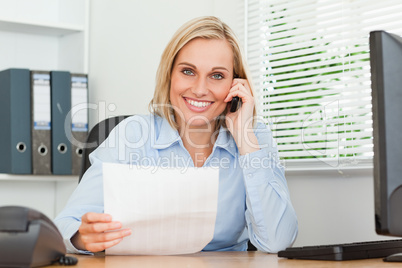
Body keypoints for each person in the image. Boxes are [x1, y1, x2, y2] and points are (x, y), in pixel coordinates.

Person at [54, 16, 298, 254]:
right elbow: (66, 224)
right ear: (170, 74)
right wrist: (82, 237)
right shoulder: (132, 135)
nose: (200, 89)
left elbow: (277, 241)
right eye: (188, 71)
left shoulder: (254, 138)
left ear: (235, 85)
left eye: (217, 76)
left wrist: (246, 140)